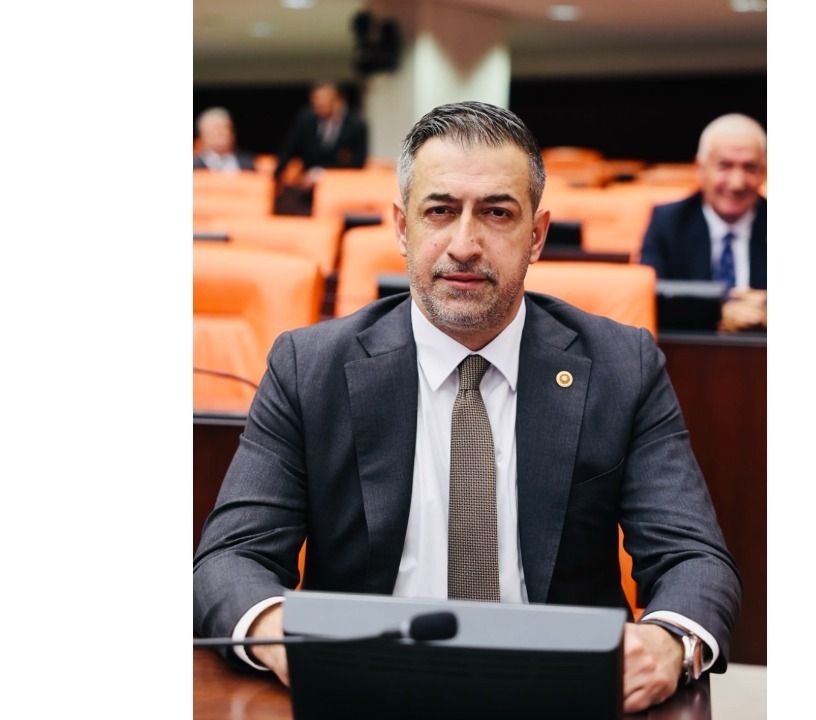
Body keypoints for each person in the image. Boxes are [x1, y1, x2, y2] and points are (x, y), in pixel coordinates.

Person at [193, 102, 741, 713]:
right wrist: (284, 637)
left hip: (562, 697)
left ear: (537, 235)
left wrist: (669, 643)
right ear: (402, 227)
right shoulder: (309, 368)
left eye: (497, 213)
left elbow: (693, 558)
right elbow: (230, 559)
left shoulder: (621, 367)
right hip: (364, 691)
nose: (464, 245)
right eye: (440, 211)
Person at [640, 113, 767, 332]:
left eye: (750, 168)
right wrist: (720, 312)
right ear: (700, 169)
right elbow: (651, 297)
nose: (737, 183)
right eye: (725, 166)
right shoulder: (668, 223)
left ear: (764, 172)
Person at [271, 82, 369, 214]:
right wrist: (276, 176)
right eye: (316, 103)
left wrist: (322, 173)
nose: (318, 107)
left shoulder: (355, 125)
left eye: (323, 103)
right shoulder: (306, 120)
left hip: (340, 186)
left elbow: (357, 163)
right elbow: (289, 149)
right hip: (307, 186)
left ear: (337, 101)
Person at [193, 107, 256, 173]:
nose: (220, 133)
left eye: (225, 128)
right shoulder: (194, 165)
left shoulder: (248, 162)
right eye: (215, 129)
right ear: (202, 135)